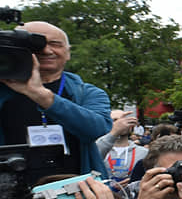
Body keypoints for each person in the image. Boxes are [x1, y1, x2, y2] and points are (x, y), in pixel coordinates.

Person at [0, 21, 111, 176]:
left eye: (55, 44)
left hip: (76, 189)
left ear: (68, 52)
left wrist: (41, 95)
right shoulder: (3, 90)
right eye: (37, 44)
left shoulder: (87, 92)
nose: (46, 50)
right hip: (11, 190)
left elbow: (96, 129)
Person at [96, 109, 149, 182]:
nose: (121, 124)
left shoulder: (144, 153)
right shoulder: (98, 147)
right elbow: (93, 159)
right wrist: (114, 132)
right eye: (115, 120)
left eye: (124, 120)